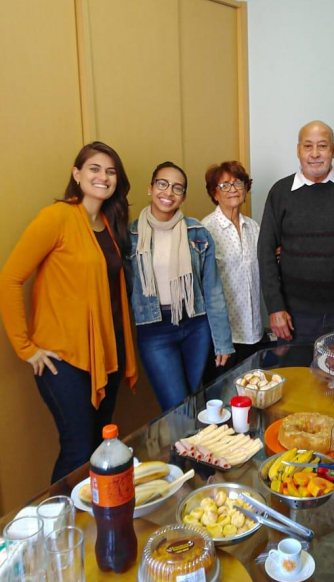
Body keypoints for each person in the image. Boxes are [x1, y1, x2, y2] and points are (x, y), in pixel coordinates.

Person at [0, 141, 137, 482]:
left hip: (107, 354)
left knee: (98, 448)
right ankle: (59, 529)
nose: (103, 177)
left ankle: (92, 526)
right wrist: (26, 347)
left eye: (110, 171)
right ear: (77, 174)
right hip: (64, 359)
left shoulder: (110, 222)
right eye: (94, 168)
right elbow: (9, 280)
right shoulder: (58, 216)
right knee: (78, 450)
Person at [258, 120, 334, 344]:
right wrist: (275, 308)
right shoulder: (280, 192)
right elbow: (265, 253)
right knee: (296, 376)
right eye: (308, 146)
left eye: (322, 146)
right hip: (294, 316)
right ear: (298, 150)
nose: (315, 154)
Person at [129, 161, 233, 411]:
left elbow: (213, 290)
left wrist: (222, 341)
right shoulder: (130, 236)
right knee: (177, 406)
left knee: (197, 400)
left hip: (195, 325)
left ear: (183, 196)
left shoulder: (197, 233)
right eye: (162, 184)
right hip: (155, 330)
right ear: (150, 188)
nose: (169, 192)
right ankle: (181, 449)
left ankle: (191, 450)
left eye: (177, 188)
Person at [202, 161, 263, 365]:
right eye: (224, 185)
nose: (233, 190)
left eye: (238, 183)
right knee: (224, 394)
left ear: (246, 188)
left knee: (253, 391)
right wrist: (219, 339)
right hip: (224, 335)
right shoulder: (205, 230)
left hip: (254, 329)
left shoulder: (253, 227)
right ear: (214, 193)